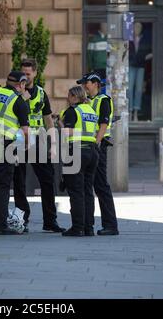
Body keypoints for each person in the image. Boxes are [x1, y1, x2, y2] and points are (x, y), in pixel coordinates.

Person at [13, 58, 65, 233]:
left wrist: (53, 145)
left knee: (48, 180)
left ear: (35, 73)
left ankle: (50, 221)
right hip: (20, 140)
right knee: (19, 181)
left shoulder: (41, 94)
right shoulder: (15, 92)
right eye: (23, 74)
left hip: (39, 141)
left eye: (28, 74)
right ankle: (22, 220)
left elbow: (48, 120)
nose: (25, 77)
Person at [0, 71, 30, 235]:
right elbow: (25, 131)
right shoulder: (19, 101)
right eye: (24, 84)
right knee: (1, 184)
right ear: (20, 84)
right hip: (5, 144)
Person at [78, 72, 119, 236]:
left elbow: (103, 124)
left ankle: (111, 225)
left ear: (95, 83)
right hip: (90, 146)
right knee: (90, 185)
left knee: (101, 185)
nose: (84, 87)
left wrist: (96, 143)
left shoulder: (104, 100)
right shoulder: (89, 101)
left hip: (98, 145)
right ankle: (89, 224)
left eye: (86, 83)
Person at [61, 86, 99, 237]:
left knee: (76, 191)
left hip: (77, 151)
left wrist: (61, 125)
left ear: (74, 97)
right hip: (92, 152)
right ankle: (89, 227)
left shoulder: (73, 110)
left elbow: (68, 132)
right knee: (88, 191)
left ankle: (77, 228)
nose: (67, 98)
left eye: (69, 96)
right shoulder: (90, 111)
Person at [129, 22, 152, 121]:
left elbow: (150, 51)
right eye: (135, 27)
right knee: (129, 89)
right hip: (131, 65)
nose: (137, 29)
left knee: (138, 90)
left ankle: (136, 113)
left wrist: (147, 57)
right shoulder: (129, 40)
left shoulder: (144, 39)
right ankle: (129, 111)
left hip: (141, 66)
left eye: (139, 27)